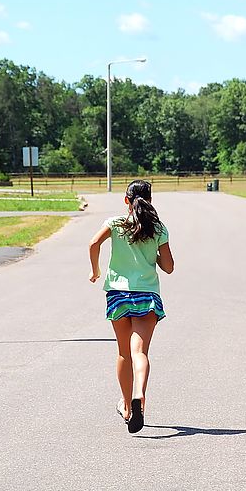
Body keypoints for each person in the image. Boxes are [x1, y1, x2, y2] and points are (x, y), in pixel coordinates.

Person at [88, 180, 174, 434]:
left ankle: (127, 406)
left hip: (118, 295)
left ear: (126, 200)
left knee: (124, 352)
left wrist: (96, 271)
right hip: (146, 296)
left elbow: (93, 244)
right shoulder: (157, 229)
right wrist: (152, 253)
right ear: (150, 200)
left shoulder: (115, 224)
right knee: (140, 352)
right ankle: (140, 397)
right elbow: (168, 267)